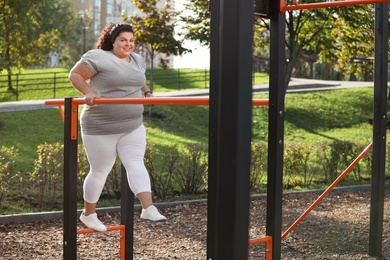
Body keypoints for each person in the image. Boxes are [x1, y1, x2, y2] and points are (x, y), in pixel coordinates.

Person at [69, 22, 166, 232]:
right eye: (123, 40)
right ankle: (88, 214)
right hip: (101, 126)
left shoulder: (138, 59)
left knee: (135, 163)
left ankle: (148, 208)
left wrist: (147, 93)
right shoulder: (98, 57)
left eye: (131, 41)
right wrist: (88, 91)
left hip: (132, 125)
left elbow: (139, 80)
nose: (128, 44)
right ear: (113, 41)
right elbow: (75, 75)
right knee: (100, 171)